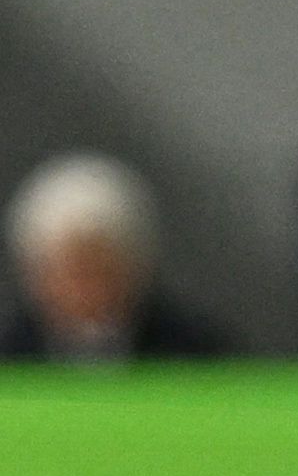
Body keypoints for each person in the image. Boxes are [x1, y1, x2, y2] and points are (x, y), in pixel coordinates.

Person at [2, 155, 228, 362]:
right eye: (68, 273)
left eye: (98, 270)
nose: (82, 291)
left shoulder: (194, 355)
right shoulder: (10, 359)